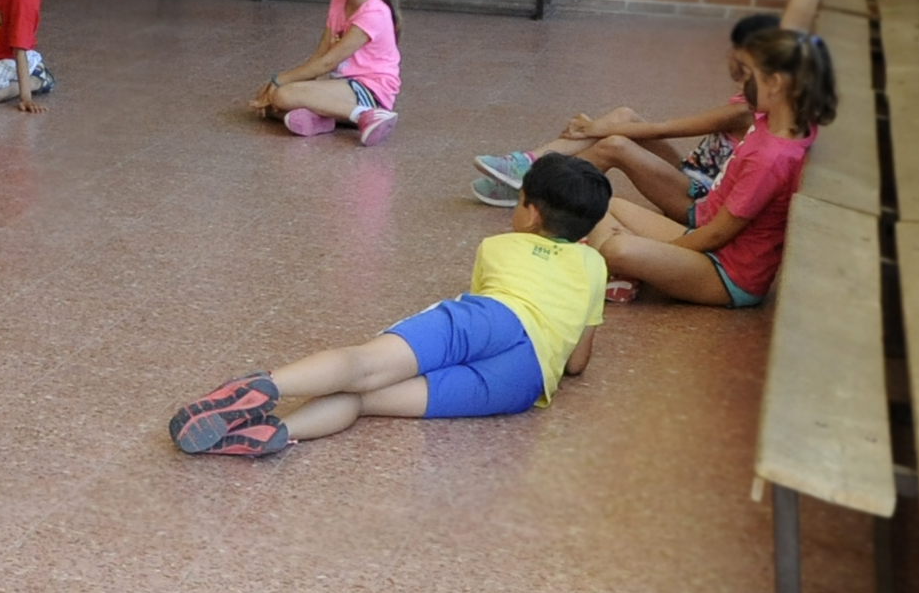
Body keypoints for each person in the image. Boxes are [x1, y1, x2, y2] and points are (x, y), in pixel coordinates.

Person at [170, 153, 614, 458]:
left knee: (364, 365)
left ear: (530, 213)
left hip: (489, 317)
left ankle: (265, 386)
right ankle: (280, 432)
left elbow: (482, 316)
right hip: (523, 379)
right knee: (363, 400)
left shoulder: (499, 245)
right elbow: (577, 364)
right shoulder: (595, 264)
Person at [470, 0, 849, 207]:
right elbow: (794, 31)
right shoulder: (765, 97)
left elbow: (665, 129)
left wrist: (593, 129)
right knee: (622, 116)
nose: (736, 63)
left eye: (747, 63)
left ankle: (541, 195)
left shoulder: (747, 111)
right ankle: (527, 165)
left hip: (698, 197)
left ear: (775, 78)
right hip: (692, 175)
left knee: (614, 142)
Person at [591, 26, 833, 309]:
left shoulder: (770, 159)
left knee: (617, 248)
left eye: (751, 75)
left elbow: (718, 234)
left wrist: (657, 252)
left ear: (775, 83)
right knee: (605, 205)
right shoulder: (772, 119)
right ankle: (623, 273)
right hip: (704, 236)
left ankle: (619, 270)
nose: (743, 84)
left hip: (727, 274)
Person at [250, 0, 401, 145]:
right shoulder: (339, 1)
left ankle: (368, 114)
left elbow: (327, 63)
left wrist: (278, 81)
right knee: (272, 104)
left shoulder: (374, 13)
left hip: (371, 90)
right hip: (342, 84)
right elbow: (319, 56)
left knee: (283, 95)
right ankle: (323, 119)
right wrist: (278, 87)